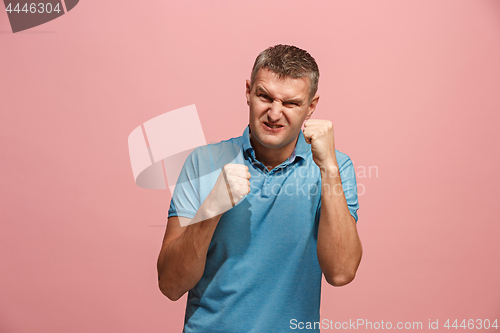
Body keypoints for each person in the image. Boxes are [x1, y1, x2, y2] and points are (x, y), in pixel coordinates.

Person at [157, 44, 362, 332]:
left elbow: (341, 273)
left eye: (291, 103)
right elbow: (170, 285)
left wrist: (328, 169)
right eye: (265, 96)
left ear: (311, 107)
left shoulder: (336, 168)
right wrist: (210, 211)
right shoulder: (203, 162)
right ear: (248, 92)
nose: (275, 114)